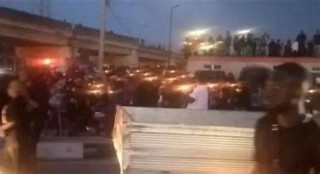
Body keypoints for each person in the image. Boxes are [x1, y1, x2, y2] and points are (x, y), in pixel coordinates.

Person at [254, 62, 320, 174]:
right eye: (268, 87)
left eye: (277, 88)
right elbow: (259, 167)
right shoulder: (264, 125)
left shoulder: (314, 133)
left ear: (297, 92)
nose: (268, 95)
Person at [0, 80, 33, 174]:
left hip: (14, 137)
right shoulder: (22, 102)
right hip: (20, 137)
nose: (7, 90)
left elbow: (14, 120)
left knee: (14, 164)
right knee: (13, 163)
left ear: (14, 90)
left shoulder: (14, 104)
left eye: (9, 88)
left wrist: (2, 128)